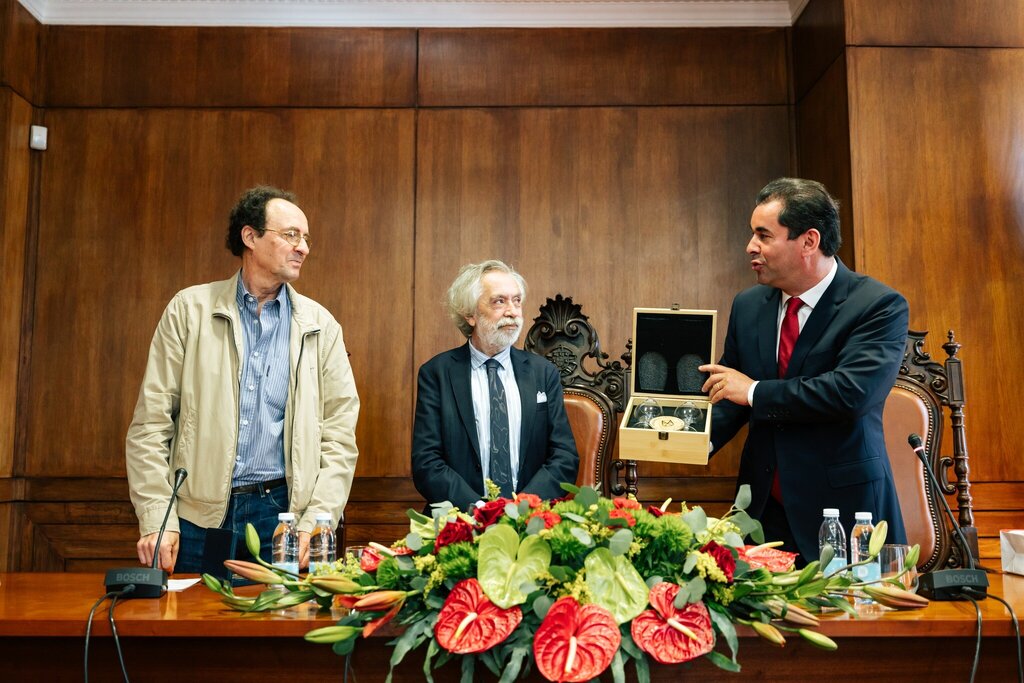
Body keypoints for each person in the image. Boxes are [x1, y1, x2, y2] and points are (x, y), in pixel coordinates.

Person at [126, 186, 360, 574]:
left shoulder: (321, 327)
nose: (303, 248)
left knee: (280, 616)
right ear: (250, 236)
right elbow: (150, 426)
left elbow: (339, 439)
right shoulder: (189, 311)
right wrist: (156, 517)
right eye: (291, 235)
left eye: (306, 238)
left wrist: (316, 520)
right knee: (193, 615)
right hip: (194, 521)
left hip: (283, 522)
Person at [700, 177, 907, 561]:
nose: (750, 247)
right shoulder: (748, 305)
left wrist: (754, 391)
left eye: (763, 235)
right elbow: (730, 392)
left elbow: (848, 393)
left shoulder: (877, 305)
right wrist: (689, 437)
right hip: (762, 513)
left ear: (809, 241)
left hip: (844, 511)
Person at [412, 260, 579, 510]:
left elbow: (564, 457)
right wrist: (478, 510)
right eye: (499, 301)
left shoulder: (544, 373)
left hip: (531, 518)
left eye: (517, 301)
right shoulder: (436, 374)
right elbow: (426, 463)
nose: (512, 311)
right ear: (470, 314)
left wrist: (521, 508)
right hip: (460, 518)